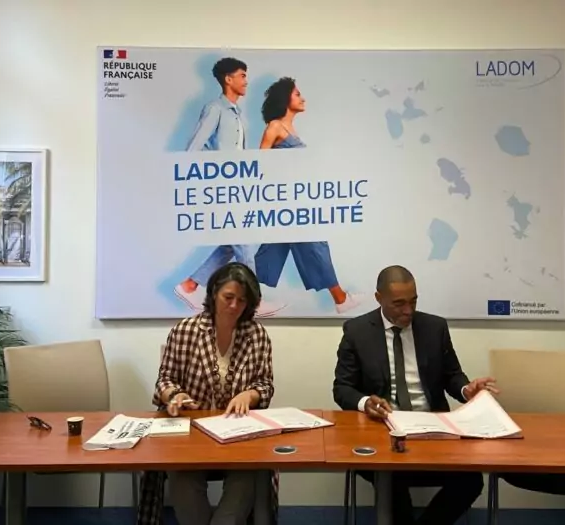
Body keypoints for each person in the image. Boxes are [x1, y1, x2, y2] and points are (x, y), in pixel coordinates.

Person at [332, 265, 496, 525]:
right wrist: (365, 403)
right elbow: (342, 388)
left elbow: (452, 375)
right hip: (382, 432)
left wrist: (467, 390)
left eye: (413, 301)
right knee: (389, 478)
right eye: (399, 303)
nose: (408, 310)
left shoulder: (435, 327)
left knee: (470, 480)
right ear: (379, 298)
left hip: (433, 429)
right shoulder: (357, 331)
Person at [138, 262, 276, 525]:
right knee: (182, 473)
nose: (234, 306)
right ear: (213, 294)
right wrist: (174, 396)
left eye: (242, 300)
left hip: (238, 434)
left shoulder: (257, 334)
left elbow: (265, 384)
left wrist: (249, 395)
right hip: (191, 435)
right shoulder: (185, 330)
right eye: (228, 297)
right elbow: (165, 380)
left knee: (249, 472)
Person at [175, 58, 283, 317]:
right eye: (242, 75)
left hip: (237, 188)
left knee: (230, 244)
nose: (246, 81)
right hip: (222, 189)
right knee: (243, 242)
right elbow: (192, 149)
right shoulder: (215, 109)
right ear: (228, 79)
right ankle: (255, 301)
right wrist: (216, 173)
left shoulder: (236, 113)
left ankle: (189, 286)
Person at [253, 77, 362, 314]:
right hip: (287, 202)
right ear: (285, 99)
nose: (302, 98)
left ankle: (249, 296)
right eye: (297, 94)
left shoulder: (290, 129)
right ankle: (340, 298)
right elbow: (260, 164)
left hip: (295, 199)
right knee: (315, 243)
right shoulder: (274, 127)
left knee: (272, 250)